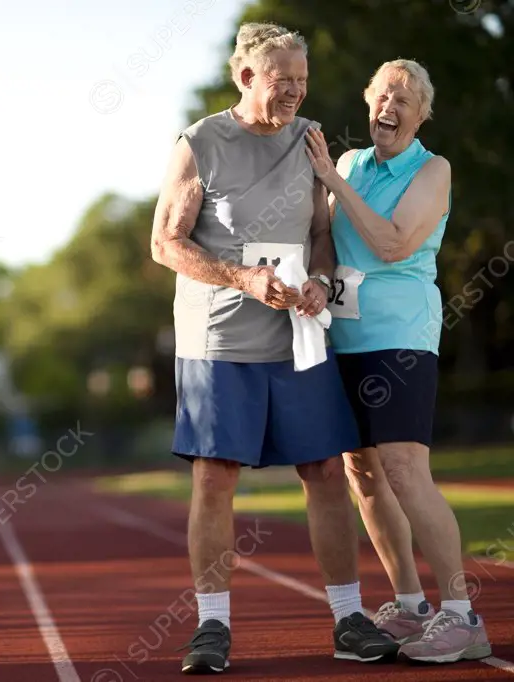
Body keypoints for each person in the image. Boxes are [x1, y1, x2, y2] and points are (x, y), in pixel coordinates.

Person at [150, 22, 399, 675]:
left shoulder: (311, 139)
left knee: (324, 469)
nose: (293, 90)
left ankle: (349, 617)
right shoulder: (200, 142)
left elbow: (321, 232)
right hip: (220, 338)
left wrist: (319, 281)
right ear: (245, 78)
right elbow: (165, 244)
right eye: (281, 78)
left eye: (302, 79)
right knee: (214, 476)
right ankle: (211, 628)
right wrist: (242, 278)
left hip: (300, 333)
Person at [304, 58, 492, 664]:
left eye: (404, 98)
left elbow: (391, 243)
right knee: (362, 476)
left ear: (421, 114)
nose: (390, 105)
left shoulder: (431, 170)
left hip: (402, 339)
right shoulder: (356, 164)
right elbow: (329, 241)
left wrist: (332, 181)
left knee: (406, 470)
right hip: (345, 338)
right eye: (382, 94)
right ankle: (410, 604)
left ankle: (461, 616)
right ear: (369, 103)